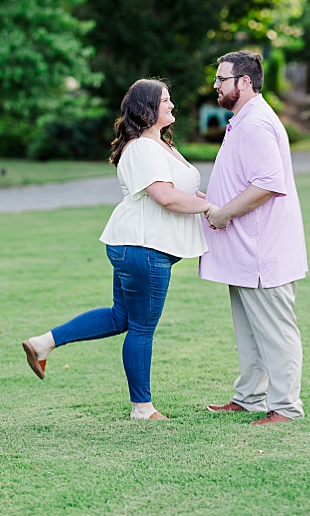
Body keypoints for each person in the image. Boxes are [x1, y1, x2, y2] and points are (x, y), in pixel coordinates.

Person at [22, 79, 213, 420]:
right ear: (147, 108)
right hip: (142, 247)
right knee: (141, 326)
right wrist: (212, 210)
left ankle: (42, 343)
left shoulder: (161, 145)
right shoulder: (142, 148)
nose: (172, 105)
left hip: (139, 245)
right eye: (165, 100)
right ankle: (142, 408)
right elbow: (165, 197)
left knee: (120, 317)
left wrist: (209, 202)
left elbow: (182, 189)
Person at [200, 50, 308, 426]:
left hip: (263, 251)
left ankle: (286, 408)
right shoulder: (243, 120)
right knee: (250, 332)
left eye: (221, 79)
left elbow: (268, 183)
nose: (215, 85)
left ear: (244, 82)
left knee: (275, 332)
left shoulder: (256, 122)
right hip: (244, 253)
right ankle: (248, 398)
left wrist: (223, 212)